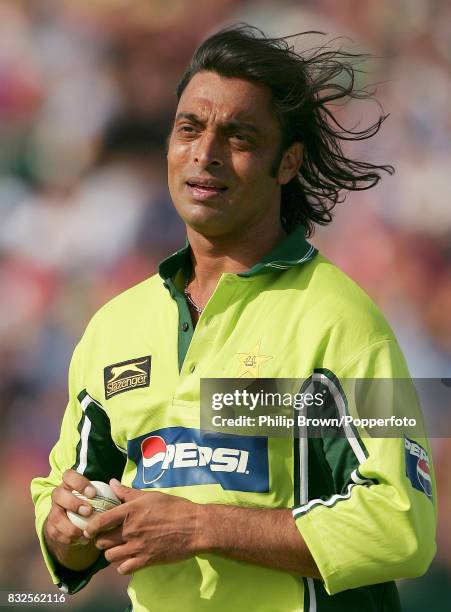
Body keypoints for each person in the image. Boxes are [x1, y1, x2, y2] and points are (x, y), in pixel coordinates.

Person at [31, 25, 436, 612]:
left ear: (287, 163)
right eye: (188, 129)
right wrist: (63, 530)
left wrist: (201, 528)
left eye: (238, 136)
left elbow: (403, 524)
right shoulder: (113, 327)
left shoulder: (349, 321)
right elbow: (62, 504)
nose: (205, 153)